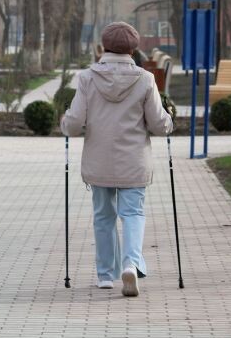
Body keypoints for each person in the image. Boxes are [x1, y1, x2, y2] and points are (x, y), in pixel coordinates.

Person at [60, 22, 173, 297]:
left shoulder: (87, 78)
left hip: (99, 161)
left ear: (105, 46)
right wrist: (169, 118)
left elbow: (73, 124)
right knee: (133, 213)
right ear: (133, 49)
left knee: (103, 216)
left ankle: (105, 275)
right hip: (134, 161)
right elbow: (159, 125)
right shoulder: (145, 79)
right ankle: (130, 264)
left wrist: (65, 122)